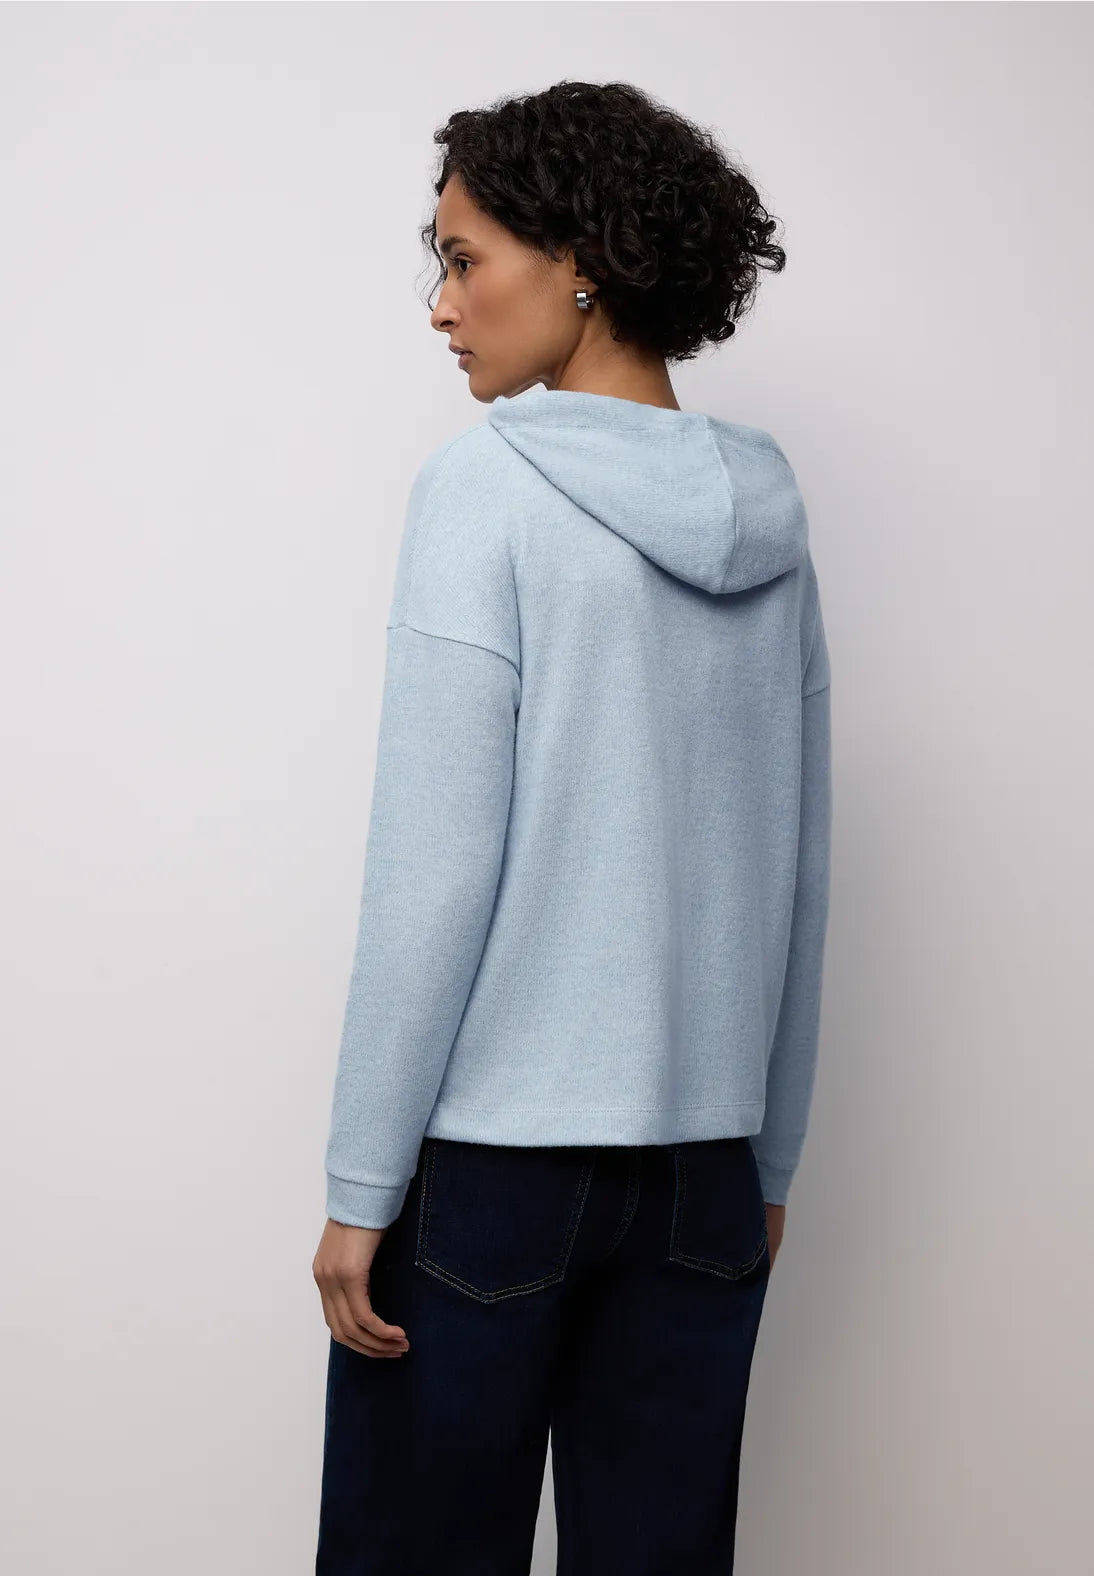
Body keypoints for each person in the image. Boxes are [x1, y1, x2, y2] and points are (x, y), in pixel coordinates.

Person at [312, 79, 832, 1576]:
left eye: (462, 259)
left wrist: (359, 1190)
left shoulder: (484, 489)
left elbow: (432, 872)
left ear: (582, 259)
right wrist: (769, 1161)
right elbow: (800, 876)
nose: (440, 304)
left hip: (497, 1170)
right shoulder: (772, 518)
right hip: (706, 1171)